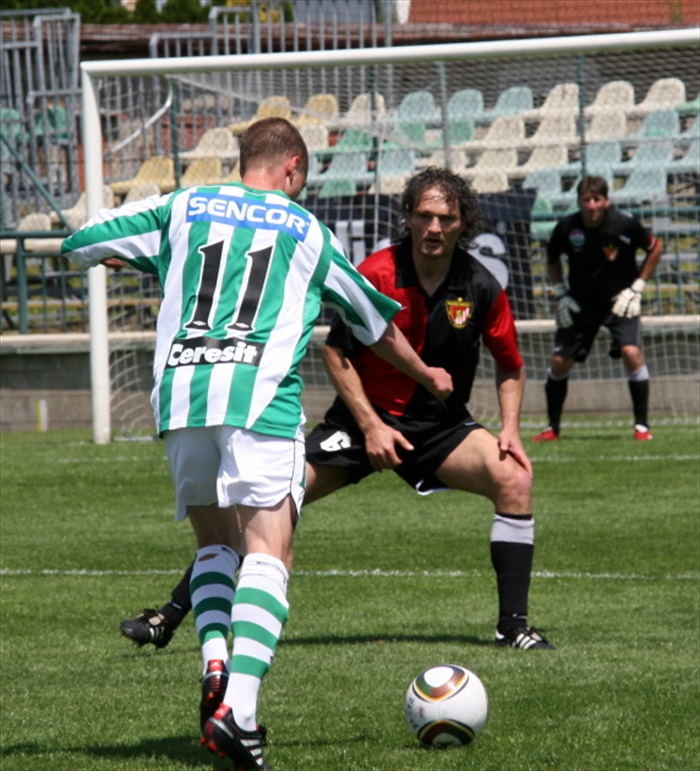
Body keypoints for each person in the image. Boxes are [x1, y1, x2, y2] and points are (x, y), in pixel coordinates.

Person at [62, 118, 453, 771]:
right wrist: (427, 374)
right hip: (260, 399)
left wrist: (141, 252)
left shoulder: (182, 206)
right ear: (293, 167)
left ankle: (216, 664)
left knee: (216, 545)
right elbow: (371, 320)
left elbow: (82, 240)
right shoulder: (309, 232)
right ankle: (239, 711)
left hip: (183, 398)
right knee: (271, 549)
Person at [121, 165, 555, 658]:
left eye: (446, 219)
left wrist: (512, 431)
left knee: (515, 478)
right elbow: (336, 352)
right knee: (266, 506)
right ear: (408, 218)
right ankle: (170, 615)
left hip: (441, 430)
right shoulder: (378, 272)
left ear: (463, 224)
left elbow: (512, 366)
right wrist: (370, 426)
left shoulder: (480, 284)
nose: (434, 228)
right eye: (424, 216)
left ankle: (513, 627)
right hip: (358, 425)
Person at [532, 175, 663, 442]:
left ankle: (642, 427)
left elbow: (656, 247)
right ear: (579, 201)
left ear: (607, 200)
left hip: (620, 301)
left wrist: (637, 287)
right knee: (559, 361)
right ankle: (552, 428)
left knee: (631, 352)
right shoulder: (567, 227)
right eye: (586, 200)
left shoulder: (624, 223)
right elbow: (552, 259)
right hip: (580, 303)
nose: (591, 205)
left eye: (597, 199)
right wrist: (560, 293)